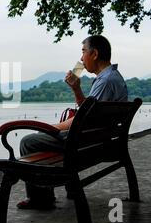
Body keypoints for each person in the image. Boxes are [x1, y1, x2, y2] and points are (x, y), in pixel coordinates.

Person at [17, 35, 128, 210]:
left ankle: (41, 197)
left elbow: (83, 118)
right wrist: (76, 89)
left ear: (95, 54)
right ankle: (46, 192)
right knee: (42, 135)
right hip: (97, 141)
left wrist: (51, 128)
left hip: (84, 143)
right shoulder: (112, 77)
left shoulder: (104, 81)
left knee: (29, 141)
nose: (81, 58)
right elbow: (89, 111)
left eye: (83, 52)